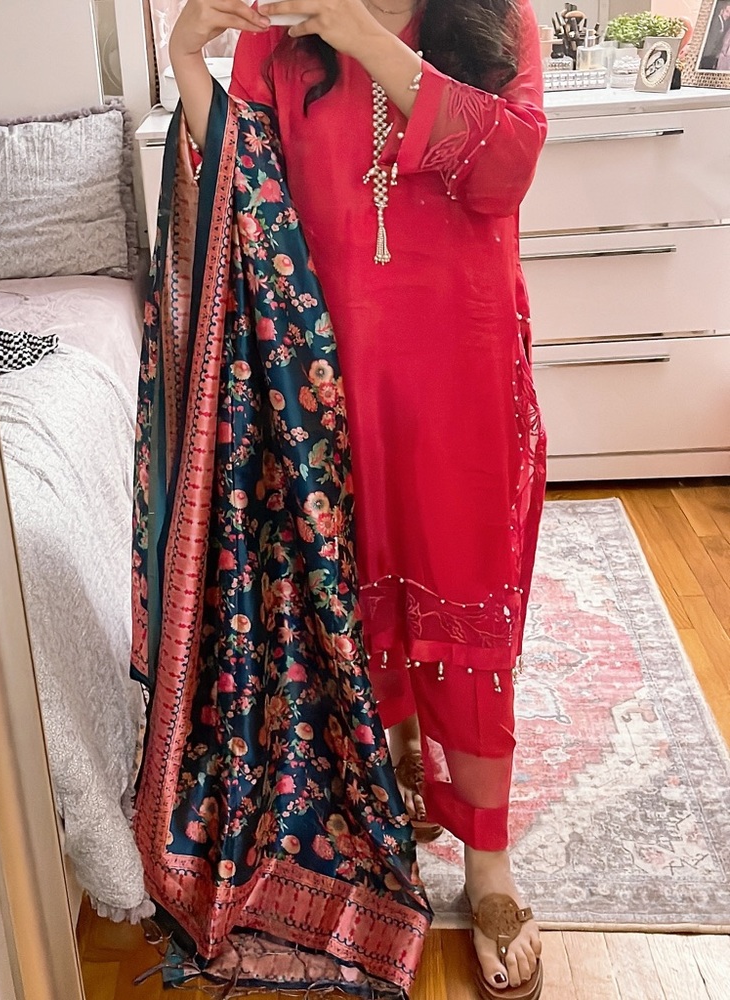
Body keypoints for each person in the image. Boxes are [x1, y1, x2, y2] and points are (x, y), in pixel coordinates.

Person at [167, 0, 548, 996]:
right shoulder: (275, 38)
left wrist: (362, 35)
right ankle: (389, 791)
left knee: (464, 606)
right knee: (353, 595)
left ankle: (490, 865)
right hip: (326, 383)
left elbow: (505, 169)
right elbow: (245, 191)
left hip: (462, 371)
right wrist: (186, 56)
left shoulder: (499, 21)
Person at [700, 0, 730, 70]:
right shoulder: (716, 21)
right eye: (727, 11)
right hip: (708, 53)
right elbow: (712, 38)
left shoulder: (726, 23)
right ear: (722, 10)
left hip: (714, 54)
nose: (728, 14)